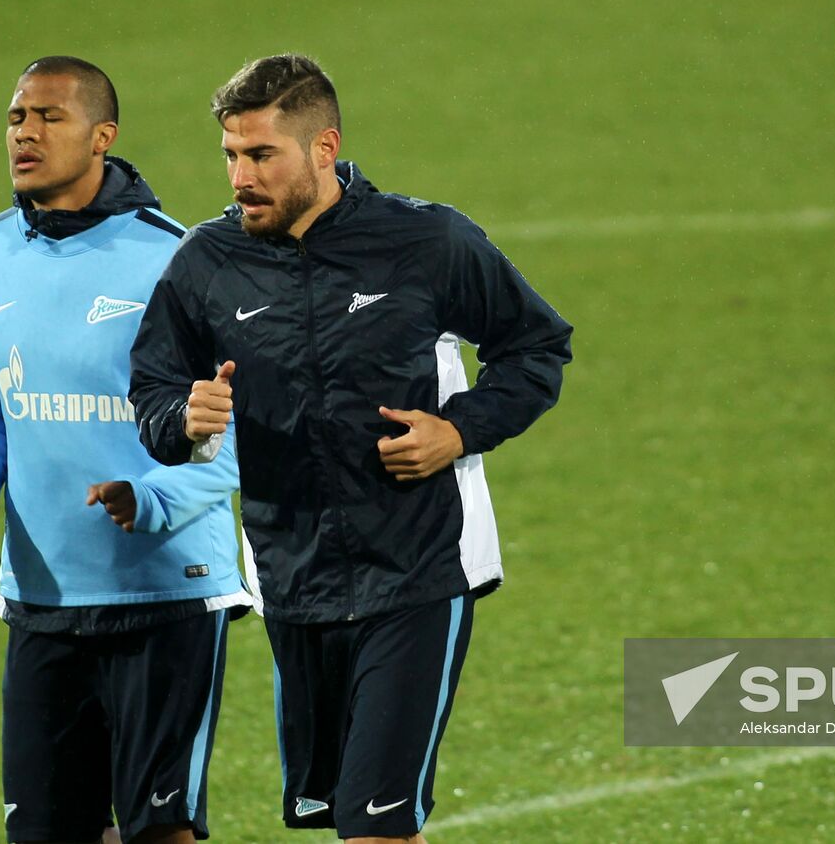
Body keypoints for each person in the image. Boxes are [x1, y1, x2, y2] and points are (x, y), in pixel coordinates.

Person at [128, 54, 572, 842]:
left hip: (420, 570)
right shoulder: (207, 264)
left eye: (261, 154)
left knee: (375, 827)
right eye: (231, 153)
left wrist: (459, 429)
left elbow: (536, 346)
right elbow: (154, 392)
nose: (240, 176)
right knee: (343, 817)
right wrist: (182, 420)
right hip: (294, 583)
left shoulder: (425, 240)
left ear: (323, 148)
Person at [0, 56, 249, 844]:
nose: (26, 133)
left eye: (50, 117)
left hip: (167, 589)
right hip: (42, 593)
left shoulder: (180, 259)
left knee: (159, 833)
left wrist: (153, 500)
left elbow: (241, 429)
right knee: (46, 832)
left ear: (103, 136)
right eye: (16, 117)